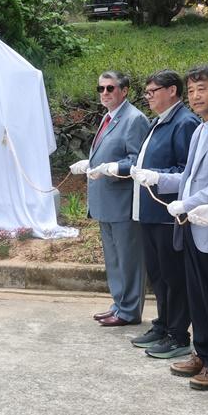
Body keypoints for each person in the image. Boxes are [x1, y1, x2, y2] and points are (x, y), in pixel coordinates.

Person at [133, 66, 208, 391]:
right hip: (190, 226)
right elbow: (188, 177)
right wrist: (161, 179)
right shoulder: (200, 129)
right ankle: (202, 352)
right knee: (197, 295)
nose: (196, 96)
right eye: (193, 90)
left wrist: (190, 202)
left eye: (203, 89)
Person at [127, 70, 199, 359]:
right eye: (146, 92)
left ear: (172, 91)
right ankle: (163, 324)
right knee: (158, 275)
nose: (148, 97)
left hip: (169, 214)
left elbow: (188, 171)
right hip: (150, 212)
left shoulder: (184, 122)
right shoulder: (159, 122)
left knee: (174, 277)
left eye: (152, 91)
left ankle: (178, 333)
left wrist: (156, 176)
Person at [70, 71, 149, 327]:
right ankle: (119, 304)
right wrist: (91, 164)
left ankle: (129, 310)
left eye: (110, 88)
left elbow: (138, 160)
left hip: (123, 201)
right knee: (114, 260)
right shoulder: (108, 117)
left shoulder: (134, 119)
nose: (104, 93)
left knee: (129, 260)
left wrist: (110, 168)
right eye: (101, 88)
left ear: (124, 91)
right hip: (105, 202)